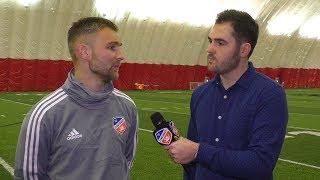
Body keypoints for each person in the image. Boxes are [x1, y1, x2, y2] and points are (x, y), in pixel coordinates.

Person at [165, 9, 288, 179]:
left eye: (220, 43)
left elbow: (260, 164)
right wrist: (187, 153)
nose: (209, 49)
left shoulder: (269, 94)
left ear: (244, 50)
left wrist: (198, 151)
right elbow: (192, 165)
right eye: (210, 41)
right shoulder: (200, 94)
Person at [14, 17, 138, 180]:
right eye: (112, 47)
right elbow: (28, 177)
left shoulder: (127, 106)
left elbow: (126, 161)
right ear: (84, 52)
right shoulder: (44, 115)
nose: (121, 56)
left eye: (119, 48)